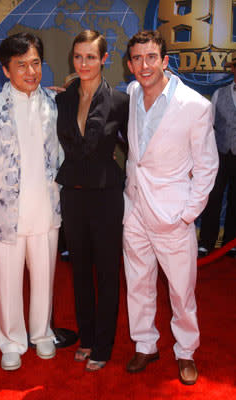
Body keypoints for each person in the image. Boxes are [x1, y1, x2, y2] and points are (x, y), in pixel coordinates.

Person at [123, 30, 218, 385]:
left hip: (173, 216)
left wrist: (187, 214)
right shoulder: (131, 93)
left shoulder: (195, 106)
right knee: (138, 283)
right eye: (137, 58)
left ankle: (186, 351)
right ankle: (146, 344)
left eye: (151, 57)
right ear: (130, 63)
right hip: (134, 209)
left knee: (181, 290)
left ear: (165, 61)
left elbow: (207, 165)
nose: (144, 65)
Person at [0, 32, 63, 371]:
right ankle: (10, 340)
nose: (31, 71)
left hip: (46, 211)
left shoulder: (52, 105)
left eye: (36, 63)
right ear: (6, 70)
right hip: (6, 215)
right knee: (7, 283)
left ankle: (42, 333)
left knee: (45, 278)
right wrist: (1, 190)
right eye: (21, 65)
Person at [55, 30, 129, 371]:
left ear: (104, 59)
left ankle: (103, 344)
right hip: (73, 196)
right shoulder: (63, 100)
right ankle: (85, 338)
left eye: (91, 57)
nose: (84, 63)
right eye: (78, 56)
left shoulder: (119, 102)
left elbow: (135, 149)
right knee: (80, 271)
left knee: (107, 274)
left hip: (106, 197)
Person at [198, 52, 236, 259]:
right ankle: (205, 244)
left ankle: (231, 244)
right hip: (219, 155)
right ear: (233, 69)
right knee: (213, 200)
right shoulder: (219, 94)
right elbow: (208, 127)